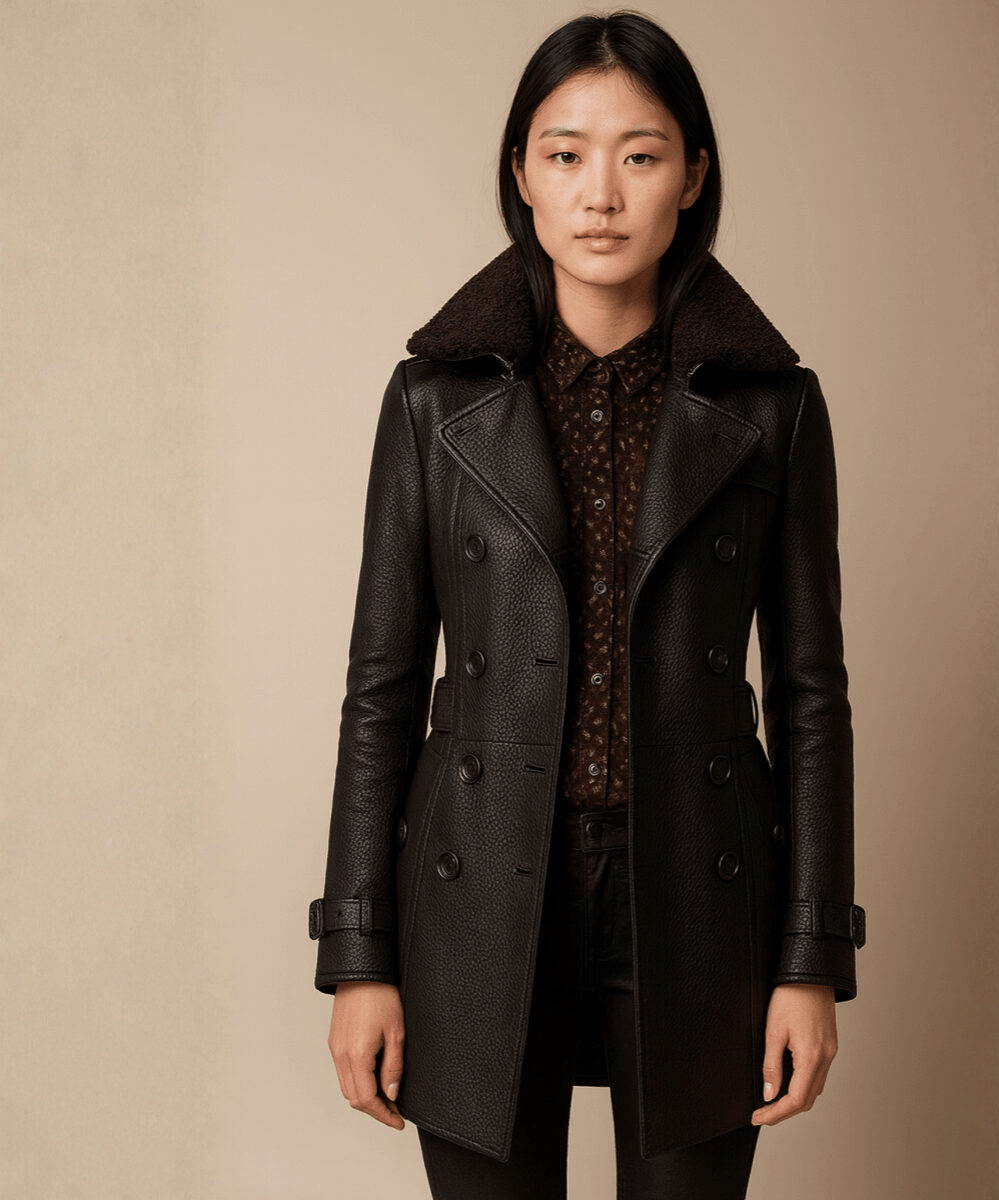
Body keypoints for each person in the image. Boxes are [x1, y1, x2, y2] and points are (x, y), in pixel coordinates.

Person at [309, 11, 865, 1199]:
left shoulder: (774, 409)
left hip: (700, 886)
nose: (600, 193)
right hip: (476, 882)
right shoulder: (430, 403)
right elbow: (381, 690)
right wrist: (358, 953)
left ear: (693, 176)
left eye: (640, 154)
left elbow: (812, 698)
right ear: (522, 174)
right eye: (564, 154)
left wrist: (811, 958)